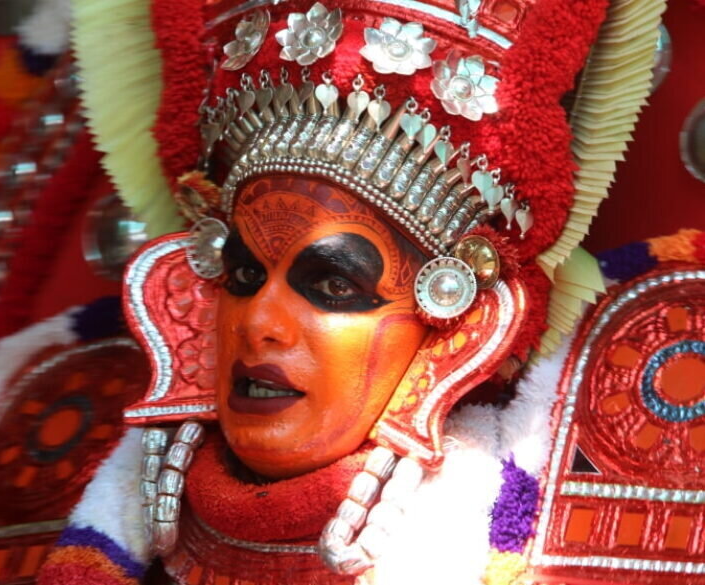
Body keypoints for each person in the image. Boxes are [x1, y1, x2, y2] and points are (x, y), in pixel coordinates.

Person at [37, 0, 668, 582]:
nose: (259, 321)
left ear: (456, 331)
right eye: (244, 276)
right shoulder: (41, 439)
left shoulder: (575, 526)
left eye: (334, 284)